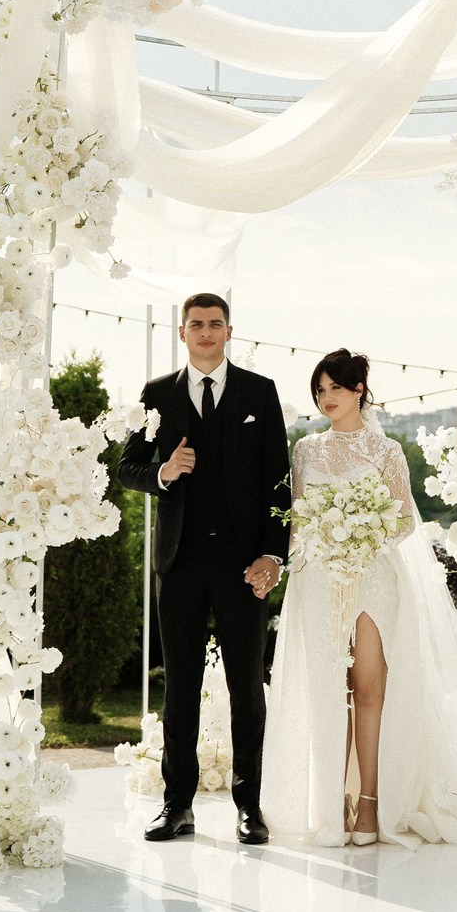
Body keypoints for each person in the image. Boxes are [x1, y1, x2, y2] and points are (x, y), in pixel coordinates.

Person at [260, 350, 457, 848]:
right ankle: (329, 808)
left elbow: (405, 518)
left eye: (334, 389)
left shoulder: (385, 452)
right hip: (319, 579)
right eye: (319, 391)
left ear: (359, 388)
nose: (326, 399)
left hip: (372, 576)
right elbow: (296, 520)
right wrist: (303, 546)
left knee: (368, 689)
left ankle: (370, 804)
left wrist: (361, 533)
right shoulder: (306, 451)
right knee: (325, 691)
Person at [115, 293, 291, 846]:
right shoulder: (156, 394)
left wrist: (273, 552)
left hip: (244, 565)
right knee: (180, 689)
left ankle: (249, 807)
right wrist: (163, 472)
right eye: (197, 325)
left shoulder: (259, 392)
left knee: (247, 687)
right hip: (180, 561)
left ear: (230, 330)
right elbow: (126, 467)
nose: (206, 332)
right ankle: (177, 806)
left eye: (215, 324)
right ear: (183, 333)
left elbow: (278, 480)